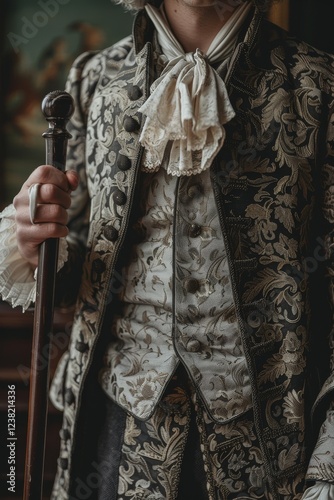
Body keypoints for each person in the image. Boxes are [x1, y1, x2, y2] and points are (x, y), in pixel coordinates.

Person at [0, 0, 334, 498]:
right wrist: (33, 243)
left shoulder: (318, 84)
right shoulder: (93, 78)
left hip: (267, 448)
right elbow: (75, 266)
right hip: (114, 428)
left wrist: (327, 466)